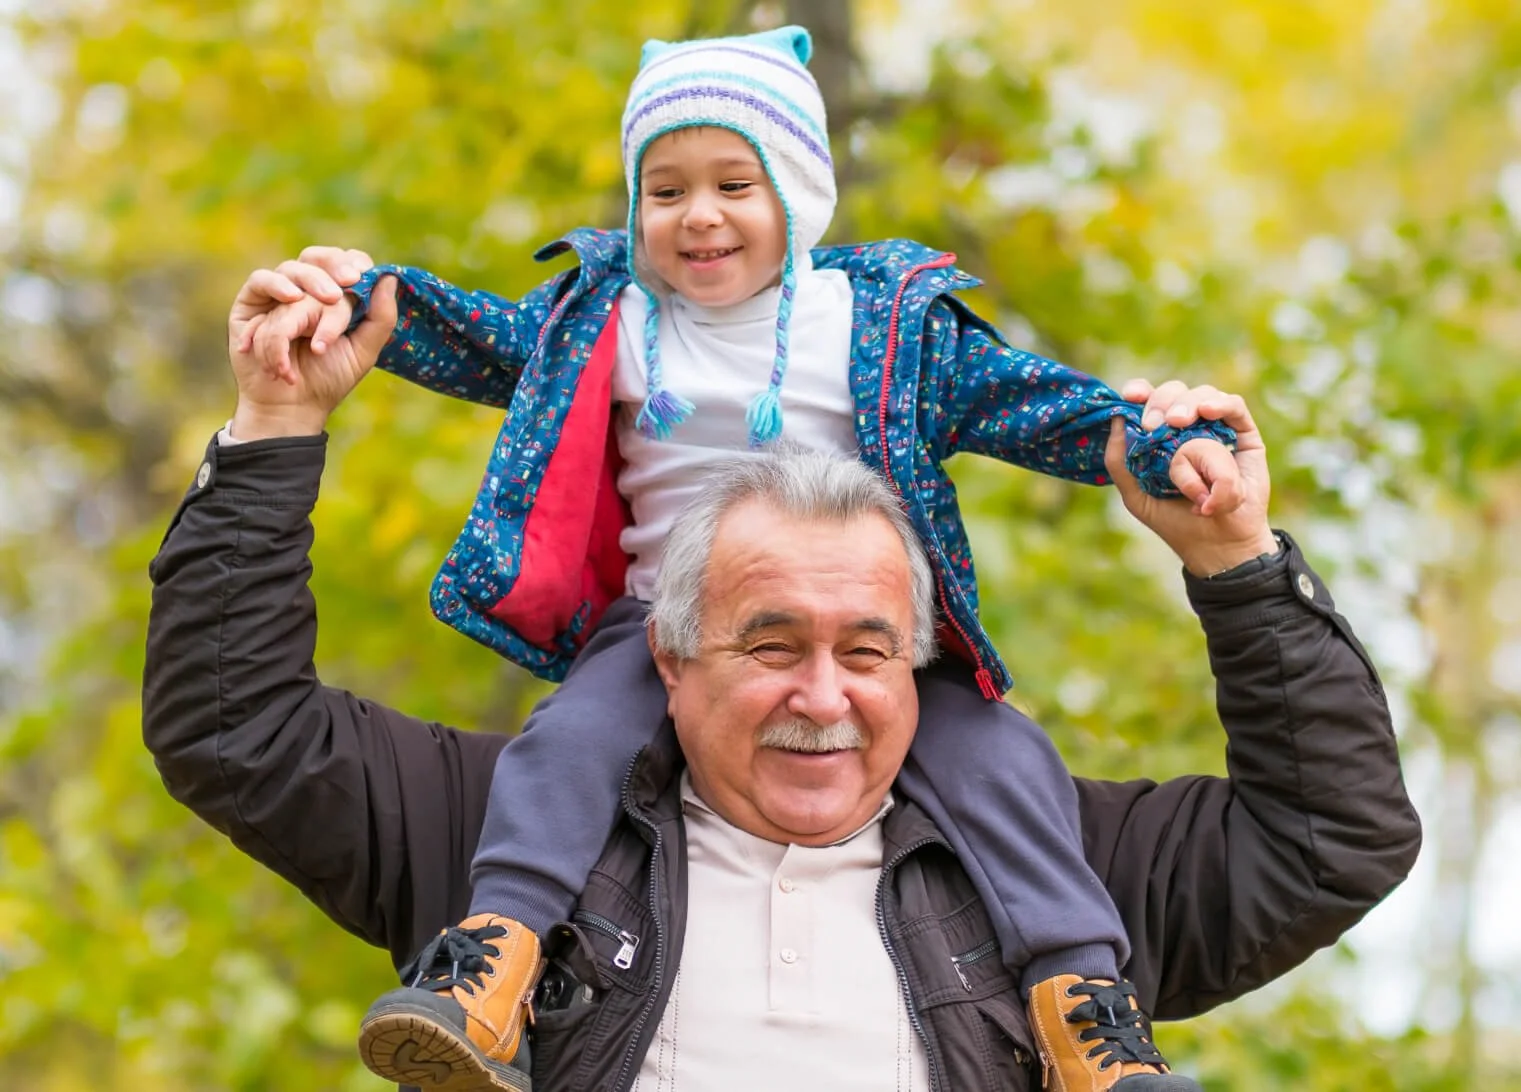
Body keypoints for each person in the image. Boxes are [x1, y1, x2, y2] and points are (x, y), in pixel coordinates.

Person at [231, 25, 1251, 1087]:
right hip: (666, 623)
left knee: (1005, 762)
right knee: (566, 745)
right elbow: (469, 332)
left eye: (734, 184)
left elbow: (1029, 404)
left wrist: (1160, 443)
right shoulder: (611, 318)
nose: (699, 216)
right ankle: (493, 971)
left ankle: (1080, 1011)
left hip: (865, 631)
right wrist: (359, 303)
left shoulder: (876, 325)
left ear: (798, 196)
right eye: (664, 192)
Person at [144, 264, 1420, 1089]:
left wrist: (1233, 558)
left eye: (870, 650)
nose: (826, 695)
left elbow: (1333, 836)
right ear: (670, 652)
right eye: (769, 644)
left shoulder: (1055, 869)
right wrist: (276, 426)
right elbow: (234, 729)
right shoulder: (509, 841)